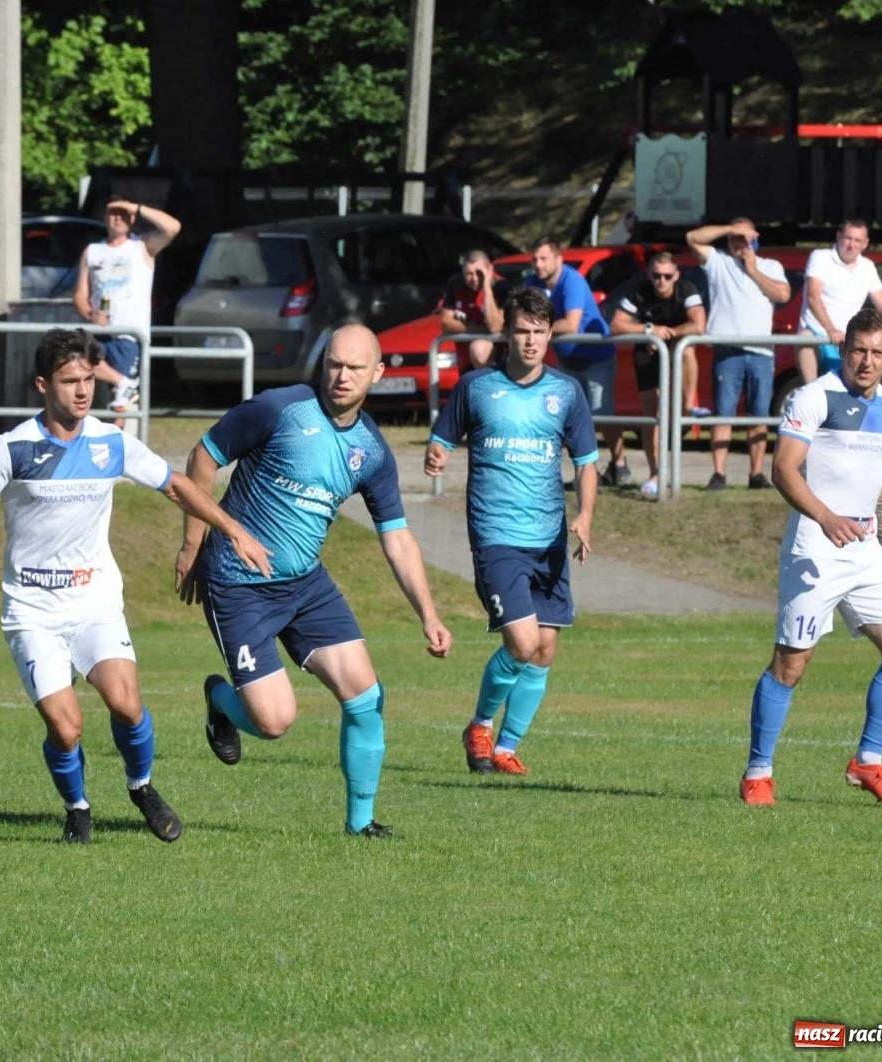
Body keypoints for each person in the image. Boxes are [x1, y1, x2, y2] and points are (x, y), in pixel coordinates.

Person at [0, 328, 271, 844]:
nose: (82, 391)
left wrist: (232, 530)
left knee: (127, 704)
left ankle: (141, 787)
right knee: (66, 727)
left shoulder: (110, 442)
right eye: (70, 381)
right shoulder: (11, 448)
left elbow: (176, 485)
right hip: (32, 610)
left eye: (89, 379)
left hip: (94, 600)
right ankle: (77, 808)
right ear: (43, 385)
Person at [176, 323, 454, 838]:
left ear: (377, 373)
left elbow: (397, 538)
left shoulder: (371, 451)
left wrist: (429, 614)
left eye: (354, 368)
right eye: (334, 364)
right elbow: (203, 456)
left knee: (366, 697)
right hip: (238, 583)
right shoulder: (278, 409)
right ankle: (220, 700)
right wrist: (193, 546)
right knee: (274, 722)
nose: (341, 376)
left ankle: (361, 824)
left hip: (305, 585)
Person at [739, 308, 882, 807]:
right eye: (858, 350)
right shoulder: (813, 397)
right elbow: (783, 469)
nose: (866, 361)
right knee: (791, 664)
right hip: (816, 545)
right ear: (843, 349)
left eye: (877, 353)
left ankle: (868, 762)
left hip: (865, 548)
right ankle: (758, 773)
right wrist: (825, 517)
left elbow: (878, 478)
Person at [425, 287, 597, 777]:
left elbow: (586, 462)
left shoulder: (566, 392)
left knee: (544, 649)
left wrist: (585, 515)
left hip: (550, 538)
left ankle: (505, 748)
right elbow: (441, 440)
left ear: (550, 335)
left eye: (539, 332)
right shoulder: (476, 387)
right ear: (506, 333)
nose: (531, 341)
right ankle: (479, 726)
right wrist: (436, 455)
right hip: (496, 536)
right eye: (522, 331)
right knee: (522, 643)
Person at [687, 217, 792, 491]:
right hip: (727, 350)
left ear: (755, 238)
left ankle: (756, 474)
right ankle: (719, 473)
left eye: (744, 238)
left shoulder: (770, 266)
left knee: (759, 415)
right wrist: (729, 229)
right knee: (723, 414)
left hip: (761, 352)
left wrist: (753, 269)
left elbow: (783, 295)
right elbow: (692, 238)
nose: (739, 243)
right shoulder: (719, 262)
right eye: (735, 238)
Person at [72, 198, 182, 426]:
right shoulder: (93, 251)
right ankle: (123, 382)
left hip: (129, 334)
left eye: (124, 214)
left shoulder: (142, 246)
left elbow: (173, 227)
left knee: (120, 405)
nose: (118, 218)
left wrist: (137, 208)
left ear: (132, 218)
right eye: (113, 213)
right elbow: (80, 295)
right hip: (100, 331)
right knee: (76, 360)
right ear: (105, 217)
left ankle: (121, 437)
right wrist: (90, 315)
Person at [609, 252, 708, 498]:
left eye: (667, 276)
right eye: (656, 275)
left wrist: (668, 334)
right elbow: (616, 325)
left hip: (677, 347)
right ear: (649, 275)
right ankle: (655, 474)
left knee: (688, 350)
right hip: (647, 352)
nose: (661, 281)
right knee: (650, 415)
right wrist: (650, 330)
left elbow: (698, 325)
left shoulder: (686, 289)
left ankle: (688, 407)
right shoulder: (639, 291)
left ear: (676, 275)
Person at [524, 238, 619, 483]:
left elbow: (571, 324)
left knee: (601, 415)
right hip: (567, 359)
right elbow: (523, 316)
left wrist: (538, 327)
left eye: (544, 258)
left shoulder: (572, 280)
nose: (538, 264)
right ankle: (581, 473)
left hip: (597, 358)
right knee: (567, 418)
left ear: (558, 259)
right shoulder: (532, 283)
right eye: (535, 259)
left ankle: (620, 463)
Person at [798, 219, 882, 385]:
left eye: (857, 240)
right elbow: (813, 297)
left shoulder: (867, 266)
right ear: (838, 236)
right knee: (805, 342)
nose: (851, 245)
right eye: (848, 238)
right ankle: (810, 392)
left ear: (865, 244)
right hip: (817, 334)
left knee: (851, 392)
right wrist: (831, 330)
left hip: (849, 340)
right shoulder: (820, 257)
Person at [438, 250, 505, 370]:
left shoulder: (501, 286)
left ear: (489, 270)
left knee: (479, 349)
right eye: (469, 274)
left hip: (493, 362)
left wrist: (487, 288)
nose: (474, 278)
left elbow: (495, 327)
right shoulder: (456, 284)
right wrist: (479, 328)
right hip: (465, 362)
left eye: (479, 273)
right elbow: (445, 323)